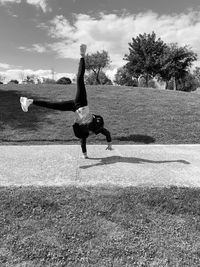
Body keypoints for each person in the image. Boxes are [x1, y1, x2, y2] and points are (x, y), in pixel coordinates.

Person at [20, 44, 112, 158]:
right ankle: (82, 55)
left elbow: (83, 141)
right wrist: (109, 143)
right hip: (82, 102)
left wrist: (85, 155)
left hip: (74, 107)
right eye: (93, 133)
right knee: (79, 80)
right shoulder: (96, 127)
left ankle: (29, 101)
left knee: (53, 106)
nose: (92, 134)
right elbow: (106, 132)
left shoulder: (85, 133)